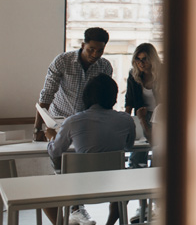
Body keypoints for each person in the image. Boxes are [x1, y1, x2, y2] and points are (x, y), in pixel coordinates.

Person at [44, 74, 136, 225]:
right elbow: (129, 146)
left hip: (79, 187)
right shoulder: (126, 119)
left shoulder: (73, 121)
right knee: (124, 180)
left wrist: (51, 137)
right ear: (113, 97)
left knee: (43, 187)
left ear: (86, 97)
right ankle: (110, 223)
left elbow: (55, 151)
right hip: (115, 185)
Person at [35, 27, 112, 142]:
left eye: (100, 50)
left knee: (83, 158)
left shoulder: (105, 66)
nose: (95, 54)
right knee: (58, 157)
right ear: (82, 45)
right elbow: (47, 94)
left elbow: (104, 99)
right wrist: (37, 128)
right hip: (59, 122)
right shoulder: (63, 61)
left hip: (87, 124)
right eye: (91, 49)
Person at [124, 43, 162, 169]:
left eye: (144, 59)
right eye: (138, 59)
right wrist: (125, 120)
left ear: (152, 59)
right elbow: (129, 99)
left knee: (157, 149)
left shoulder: (163, 73)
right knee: (138, 154)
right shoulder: (134, 75)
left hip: (160, 117)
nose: (141, 63)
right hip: (141, 115)